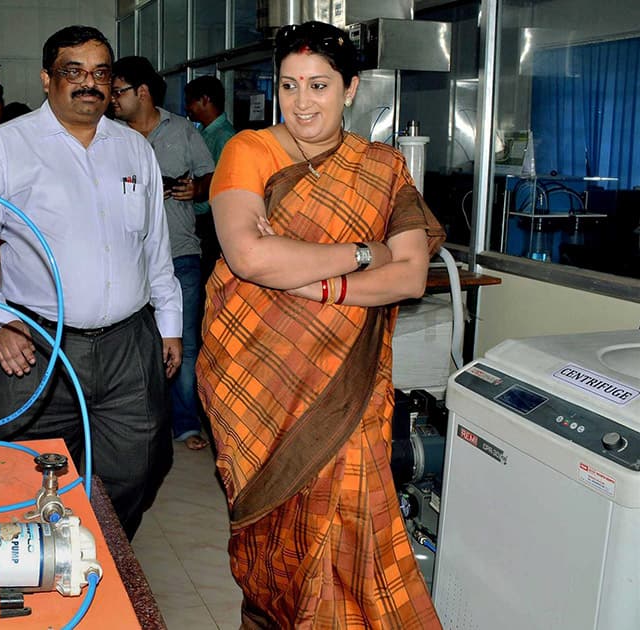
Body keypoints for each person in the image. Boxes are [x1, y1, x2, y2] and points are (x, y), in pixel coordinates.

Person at [196, 21, 445, 628]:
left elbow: (410, 275)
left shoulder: (383, 168)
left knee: (353, 529)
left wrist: (318, 283)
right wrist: (366, 253)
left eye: (319, 86)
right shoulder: (248, 150)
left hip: (346, 392)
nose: (302, 102)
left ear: (351, 89)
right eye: (288, 85)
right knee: (274, 535)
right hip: (254, 379)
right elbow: (249, 255)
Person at [0, 25, 183, 540]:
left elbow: (154, 246)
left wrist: (169, 324)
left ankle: (96, 553)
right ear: (47, 79)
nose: (88, 84)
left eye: (100, 73)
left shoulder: (134, 149)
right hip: (36, 344)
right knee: (30, 470)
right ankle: (47, 571)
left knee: (139, 465)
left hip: (128, 342)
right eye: (74, 71)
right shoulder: (11, 145)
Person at [111, 55, 215, 452]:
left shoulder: (183, 131)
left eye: (119, 91)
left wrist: (197, 189)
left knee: (182, 342)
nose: (113, 99)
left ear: (143, 92)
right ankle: (137, 426)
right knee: (133, 347)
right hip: (127, 260)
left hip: (179, 252)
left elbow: (210, 175)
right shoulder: (110, 138)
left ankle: (186, 424)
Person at [184, 75, 237, 285]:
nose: (187, 108)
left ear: (205, 100)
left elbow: (222, 183)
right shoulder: (203, 133)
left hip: (212, 221)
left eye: (190, 101)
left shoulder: (225, 137)